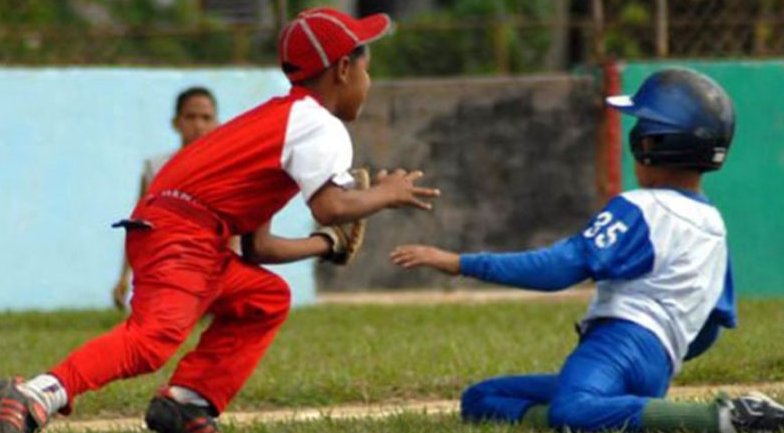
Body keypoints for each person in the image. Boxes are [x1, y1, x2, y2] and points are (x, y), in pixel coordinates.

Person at [0, 8, 439, 433]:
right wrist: (385, 195)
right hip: (181, 235)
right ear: (343, 68)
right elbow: (331, 207)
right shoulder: (320, 126)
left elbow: (257, 247)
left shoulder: (278, 122)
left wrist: (326, 244)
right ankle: (38, 393)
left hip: (185, 233)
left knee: (265, 297)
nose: (368, 81)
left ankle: (186, 402)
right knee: (153, 339)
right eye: (367, 69)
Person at [390, 68, 784, 432]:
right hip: (658, 362)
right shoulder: (713, 226)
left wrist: (459, 263)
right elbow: (712, 325)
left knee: (570, 410)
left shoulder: (643, 208)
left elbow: (561, 267)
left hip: (618, 341)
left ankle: (721, 419)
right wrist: (667, 353)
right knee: (481, 399)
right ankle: (626, 417)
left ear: (650, 143)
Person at [111, 86, 220, 310]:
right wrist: (124, 276)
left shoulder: (226, 167)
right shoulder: (156, 168)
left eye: (206, 118)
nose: (198, 125)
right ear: (176, 122)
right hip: (169, 268)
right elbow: (139, 226)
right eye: (190, 117)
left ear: (217, 123)